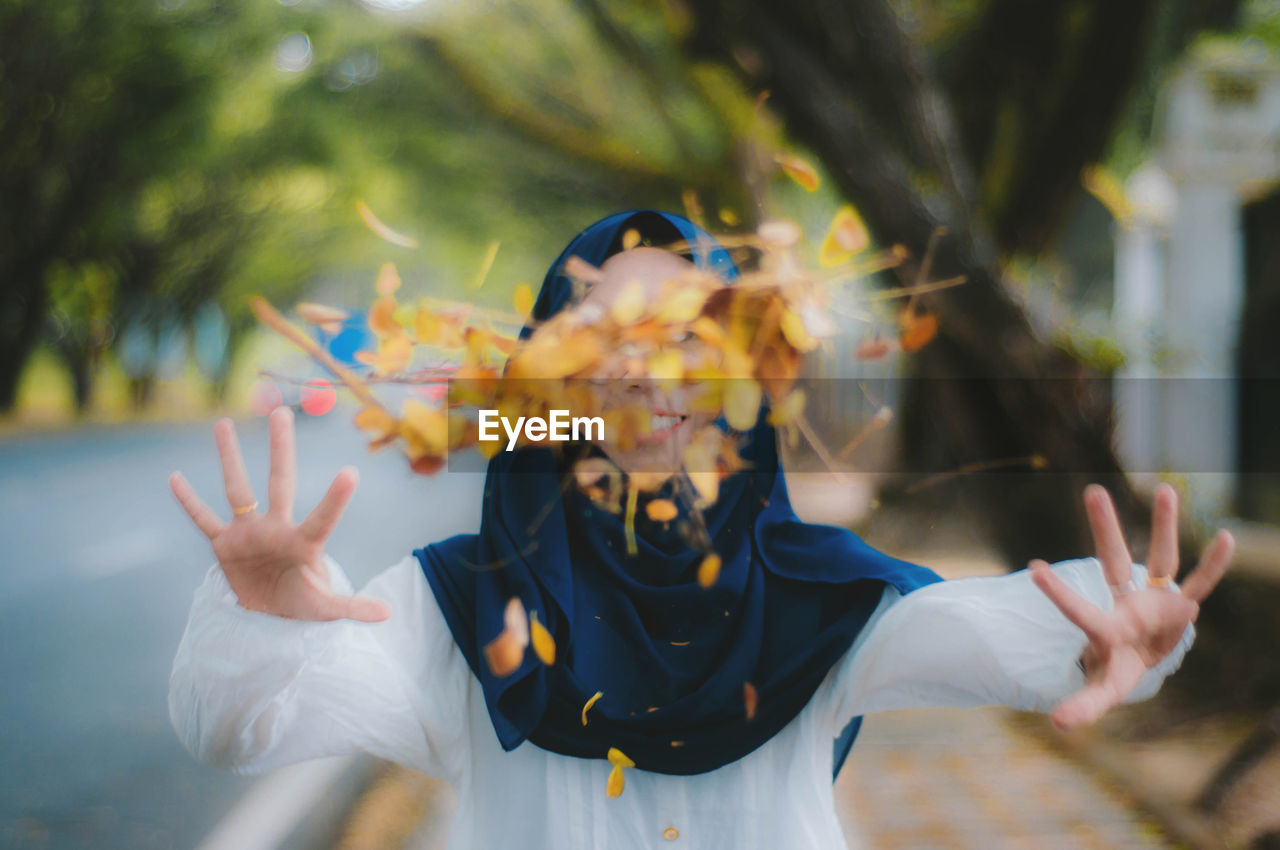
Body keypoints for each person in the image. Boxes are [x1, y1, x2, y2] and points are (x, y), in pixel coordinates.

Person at [168, 210, 1234, 849]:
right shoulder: (458, 602)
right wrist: (259, 621)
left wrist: (1113, 634)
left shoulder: (815, 593)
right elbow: (235, 731)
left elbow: (973, 630)